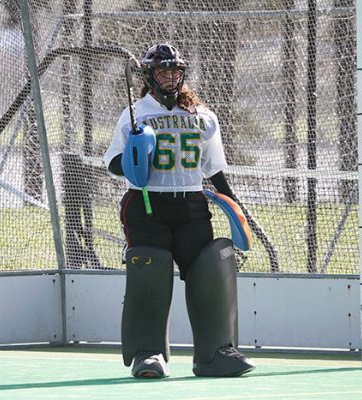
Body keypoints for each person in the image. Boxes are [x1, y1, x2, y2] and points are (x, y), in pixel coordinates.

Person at [104, 43, 255, 378]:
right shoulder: (134, 115)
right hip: (146, 205)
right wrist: (134, 153)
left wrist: (234, 204)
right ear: (149, 75)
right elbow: (112, 162)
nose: (171, 77)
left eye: (175, 71)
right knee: (150, 272)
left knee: (208, 270)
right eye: (163, 71)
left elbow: (214, 170)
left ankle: (215, 353)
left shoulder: (202, 116)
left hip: (191, 203)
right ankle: (148, 353)